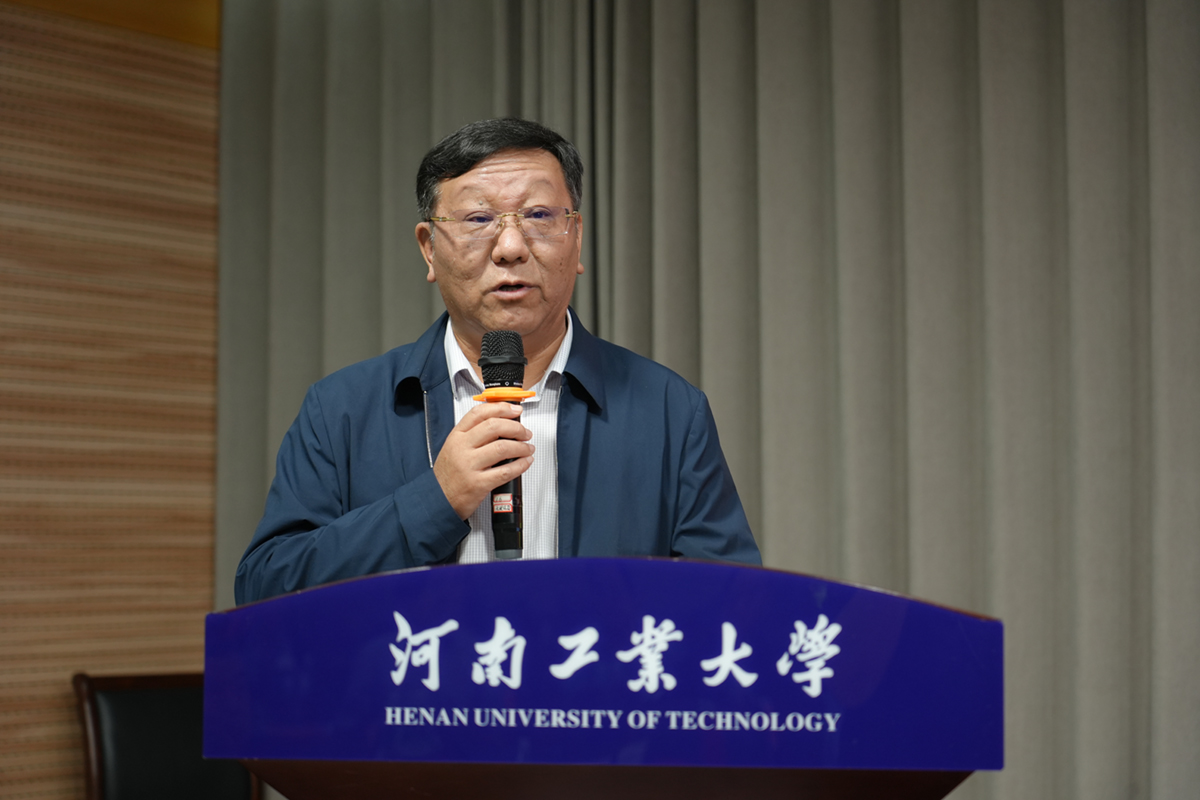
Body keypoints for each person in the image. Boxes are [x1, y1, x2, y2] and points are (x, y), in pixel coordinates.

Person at [235, 118, 760, 605]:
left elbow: (733, 602)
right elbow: (265, 588)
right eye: (479, 219)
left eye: (539, 216)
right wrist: (434, 501)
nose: (510, 247)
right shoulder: (342, 409)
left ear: (576, 238)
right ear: (429, 249)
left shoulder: (668, 410)